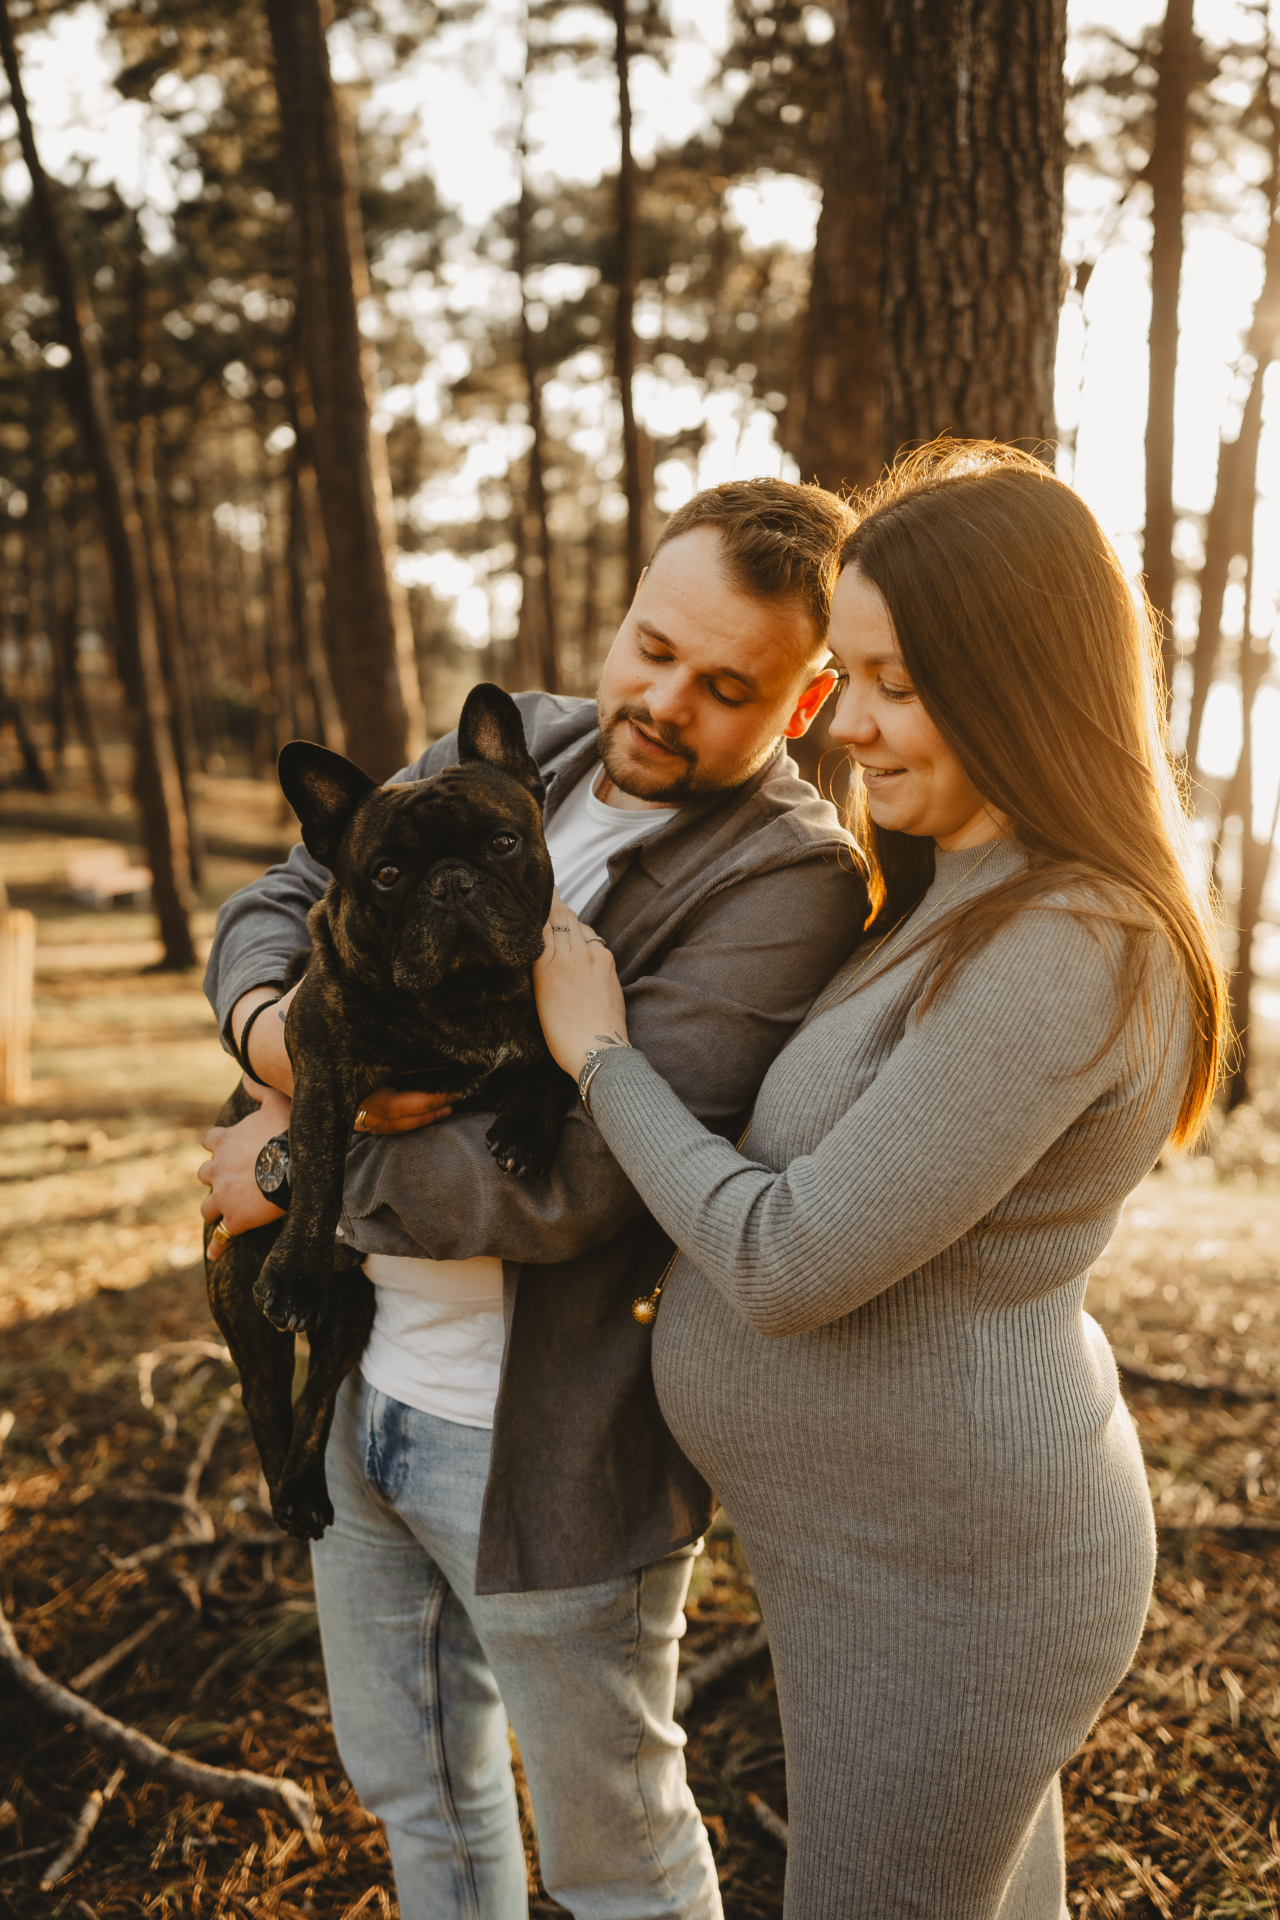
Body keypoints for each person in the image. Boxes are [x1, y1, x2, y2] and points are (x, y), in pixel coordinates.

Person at [532, 441, 1228, 1920]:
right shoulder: (956, 888)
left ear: (1022, 682)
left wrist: (601, 1058)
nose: (845, 727)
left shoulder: (1075, 942)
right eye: (845, 679)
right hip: (872, 1559)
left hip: (958, 1585)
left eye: (893, 684)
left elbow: (788, 1261)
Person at [197, 479, 870, 1920]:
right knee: (421, 1805)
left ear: (806, 702)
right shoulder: (524, 744)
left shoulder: (788, 879)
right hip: (364, 1391)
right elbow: (278, 898)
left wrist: (285, 1169)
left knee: (616, 1862)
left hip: (544, 1445)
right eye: (652, 644)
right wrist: (270, 1033)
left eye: (724, 683)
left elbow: (577, 1185)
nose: (660, 699)